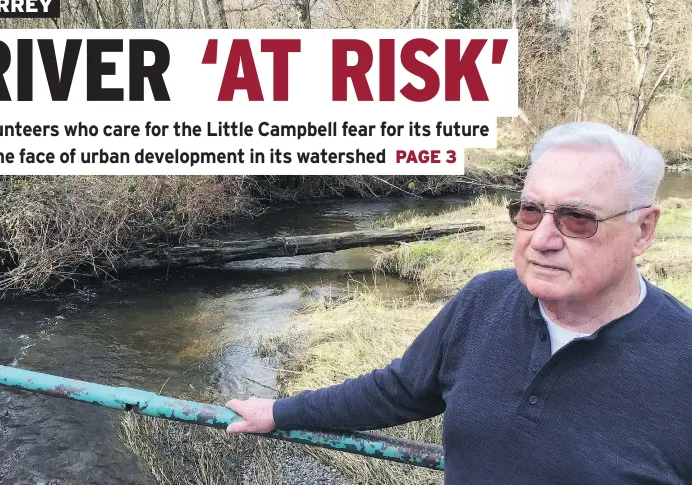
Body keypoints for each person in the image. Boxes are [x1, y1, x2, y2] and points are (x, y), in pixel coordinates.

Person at [225, 122, 692, 484]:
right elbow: (400, 389)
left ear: (643, 230)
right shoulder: (484, 301)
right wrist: (281, 412)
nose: (541, 240)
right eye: (529, 211)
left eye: (576, 219)